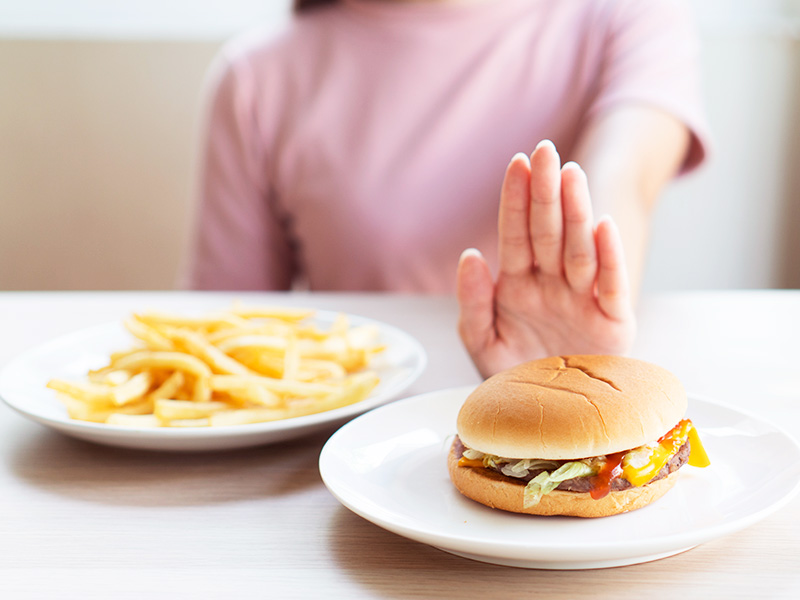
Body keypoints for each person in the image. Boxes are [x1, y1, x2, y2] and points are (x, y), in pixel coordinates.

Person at [183, 0, 710, 378]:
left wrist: (576, 330)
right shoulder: (256, 74)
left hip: (558, 393)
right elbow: (228, 337)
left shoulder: (628, 16)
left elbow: (623, 177)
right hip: (345, 444)